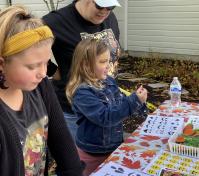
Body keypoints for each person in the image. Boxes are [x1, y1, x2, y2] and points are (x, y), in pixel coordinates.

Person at [0, 5, 84, 176]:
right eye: (32, 66)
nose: (43, 73)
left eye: (46, 62)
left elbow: (61, 139)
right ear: (2, 64)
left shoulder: (41, 86)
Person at [66, 38, 148, 176]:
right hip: (92, 154)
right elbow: (105, 117)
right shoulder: (83, 92)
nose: (108, 66)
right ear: (86, 65)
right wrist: (133, 101)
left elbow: (120, 102)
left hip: (114, 146)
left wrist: (138, 103)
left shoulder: (108, 81)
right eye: (103, 61)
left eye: (109, 61)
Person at [42, 0, 121, 140]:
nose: (105, 11)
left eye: (111, 6)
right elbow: (28, 50)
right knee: (82, 159)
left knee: (109, 155)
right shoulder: (56, 21)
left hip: (108, 105)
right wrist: (54, 72)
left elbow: (113, 52)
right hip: (76, 113)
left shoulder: (109, 17)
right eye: (100, 6)